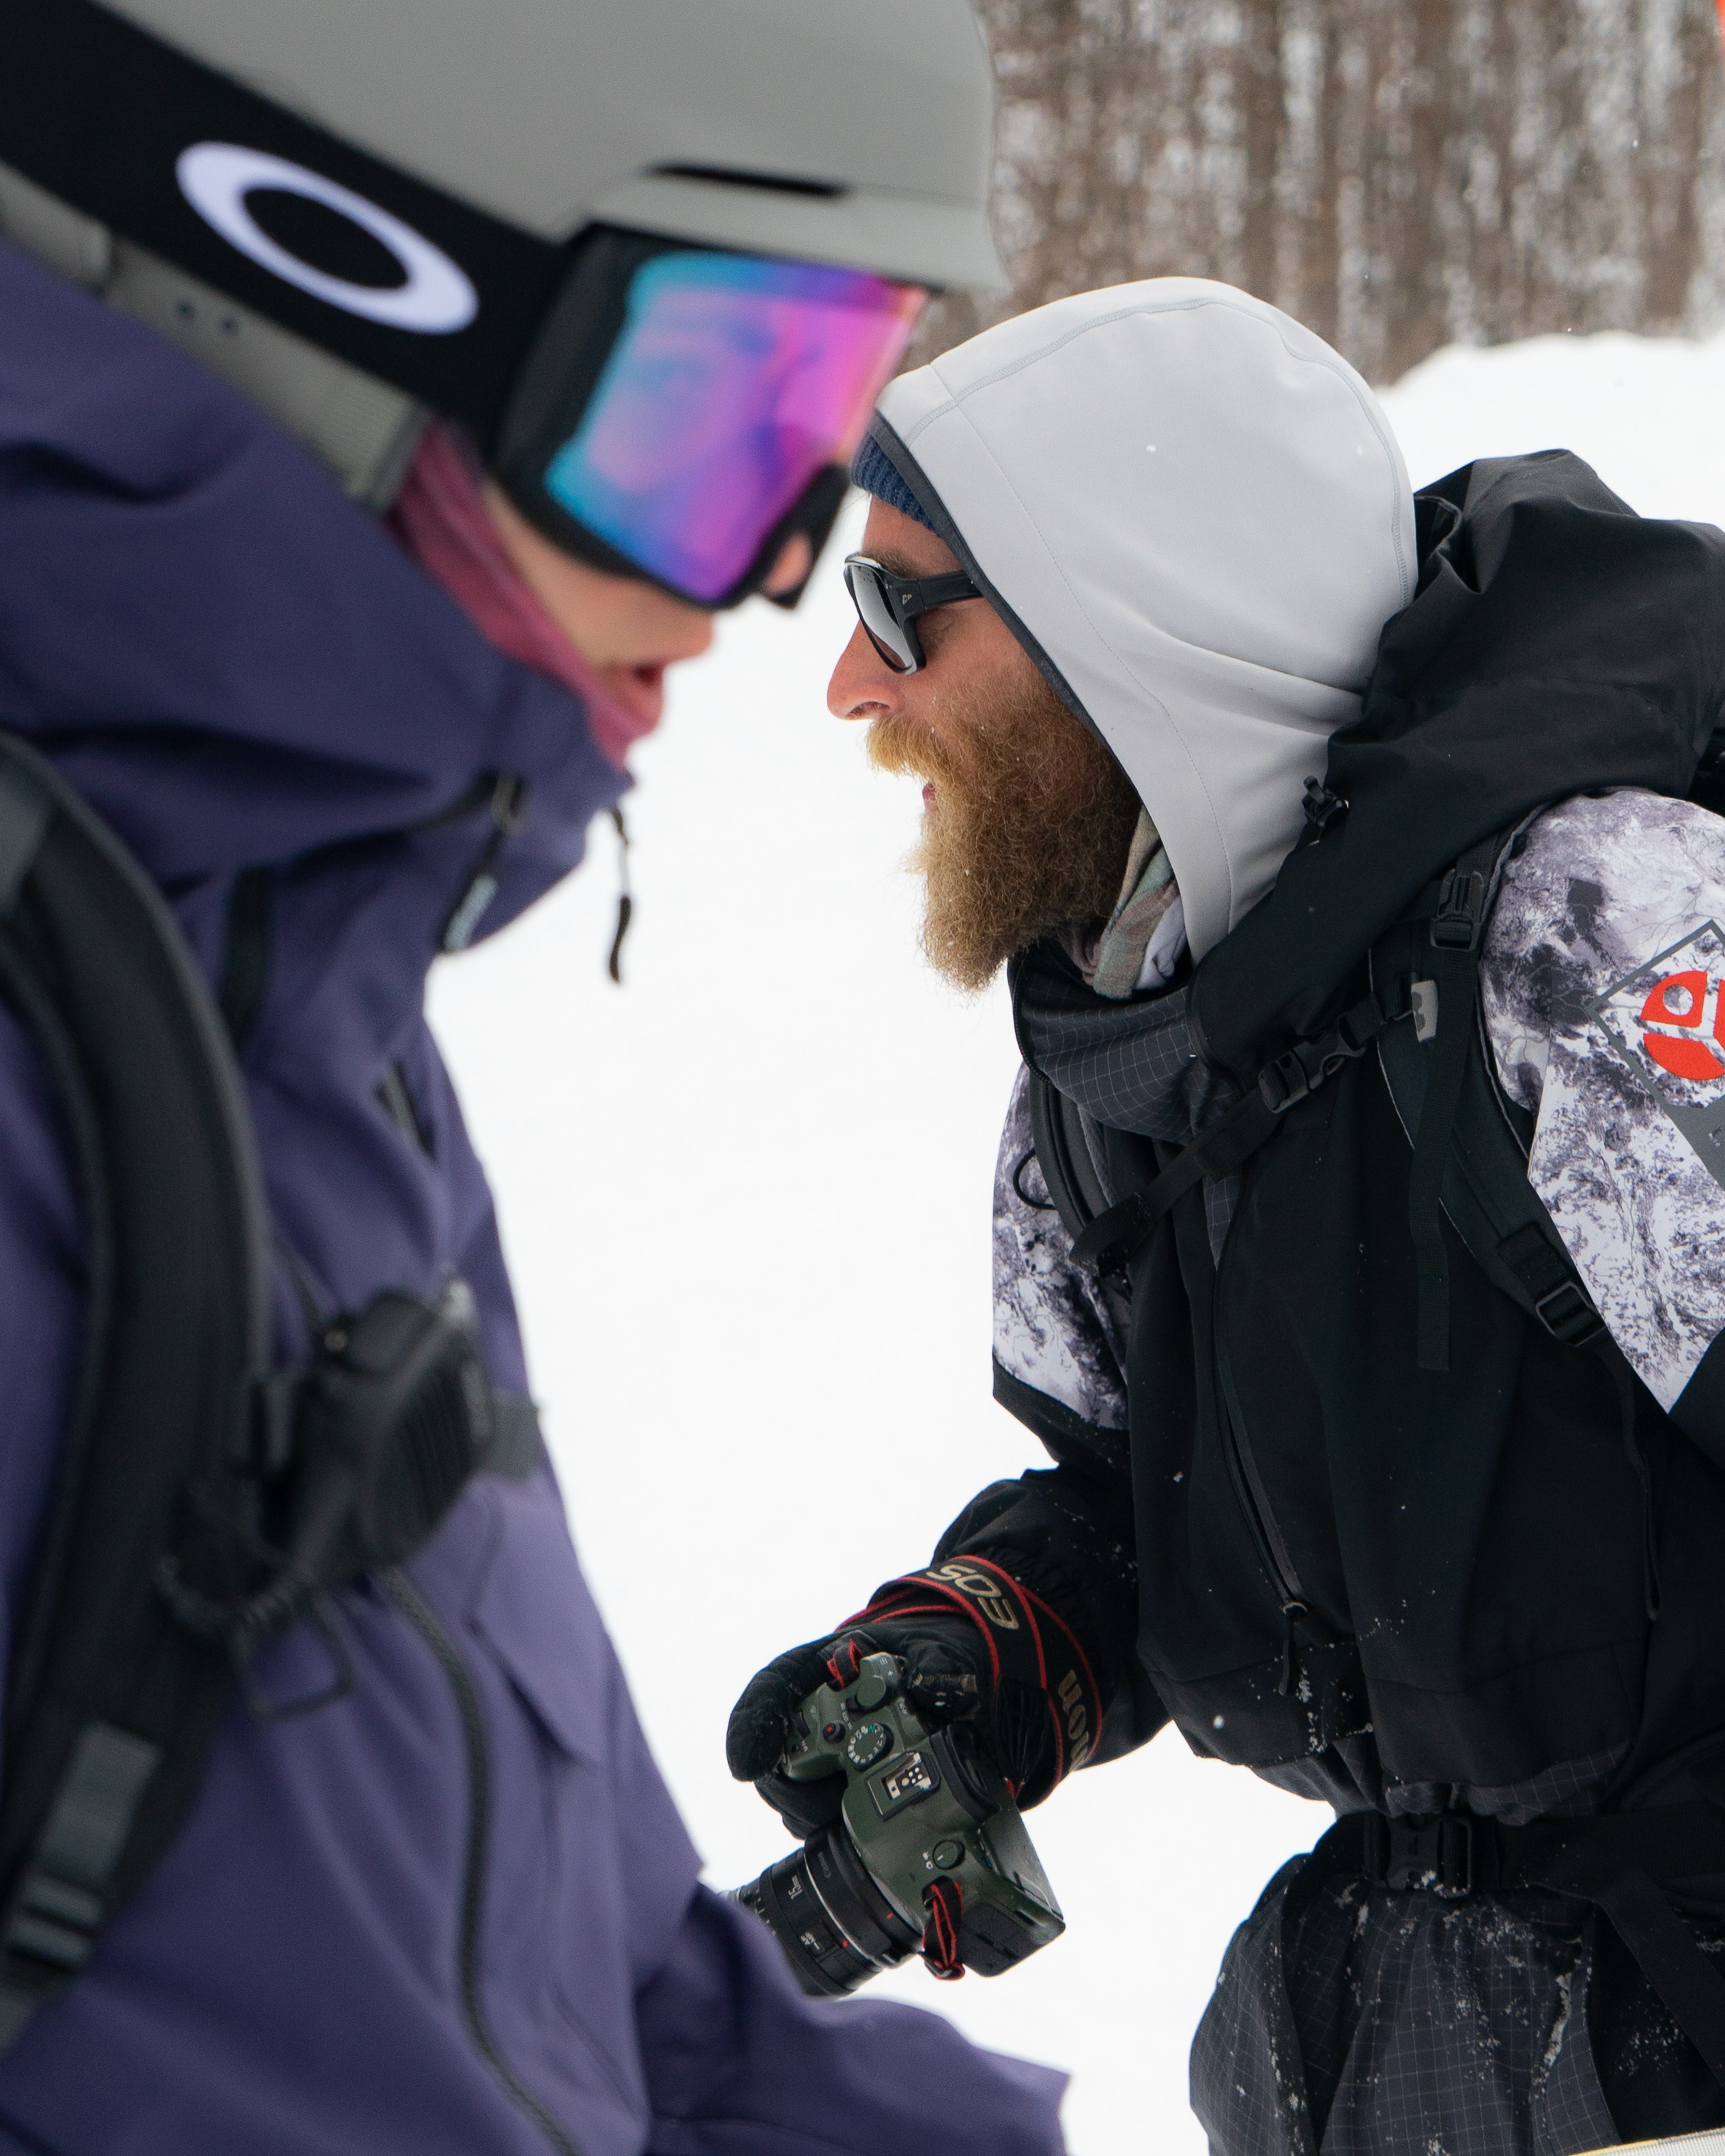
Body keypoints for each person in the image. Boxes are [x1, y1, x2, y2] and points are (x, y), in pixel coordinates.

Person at [0, 1, 1075, 2149]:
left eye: (821, 434)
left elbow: (560, 1989)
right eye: (714, 420)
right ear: (309, 271)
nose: (778, 582)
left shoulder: (272, 1009)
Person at [728, 274, 1725, 2155]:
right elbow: (1150, 1492)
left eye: (897, 610)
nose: (852, 686)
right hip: (1419, 2034)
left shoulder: (1594, 939)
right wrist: (1000, 1643)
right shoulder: (1121, 1055)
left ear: (1129, 629)